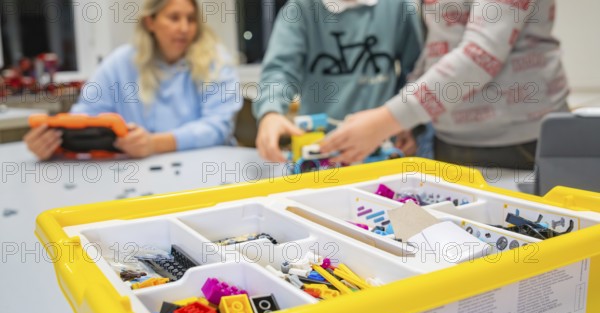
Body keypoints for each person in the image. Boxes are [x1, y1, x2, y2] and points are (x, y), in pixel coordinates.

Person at [320, 0, 569, 169]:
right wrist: (407, 118)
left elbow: (480, 56)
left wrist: (389, 119)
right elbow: (438, 46)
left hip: (522, 139)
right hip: (451, 136)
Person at [24, 0, 242, 160]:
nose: (184, 28)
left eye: (191, 19)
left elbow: (218, 127)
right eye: (174, 18)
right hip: (136, 174)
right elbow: (86, 116)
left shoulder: (216, 61)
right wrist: (54, 142)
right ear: (150, 22)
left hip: (204, 167)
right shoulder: (119, 63)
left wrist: (154, 144)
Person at [252, 0, 425, 162]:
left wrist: (407, 123)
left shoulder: (398, 6)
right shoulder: (300, 8)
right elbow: (280, 69)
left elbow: (416, 72)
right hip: (319, 146)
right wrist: (270, 112)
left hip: (382, 144)